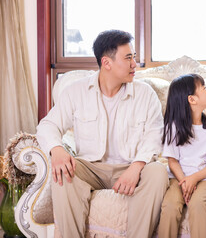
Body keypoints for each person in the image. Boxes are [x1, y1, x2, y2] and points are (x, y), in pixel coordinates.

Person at [36, 30, 168, 238]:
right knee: (63, 171)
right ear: (107, 63)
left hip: (131, 165)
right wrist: (57, 150)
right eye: (128, 58)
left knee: (158, 172)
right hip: (92, 168)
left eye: (134, 57)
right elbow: (47, 125)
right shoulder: (76, 91)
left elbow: (154, 136)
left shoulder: (145, 94)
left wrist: (137, 166)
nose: (135, 64)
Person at [157, 74, 206, 238]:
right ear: (192, 99)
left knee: (198, 205)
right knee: (170, 205)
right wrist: (184, 181)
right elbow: (172, 161)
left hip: (205, 177)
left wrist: (194, 179)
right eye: (203, 88)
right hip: (178, 177)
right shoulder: (173, 126)